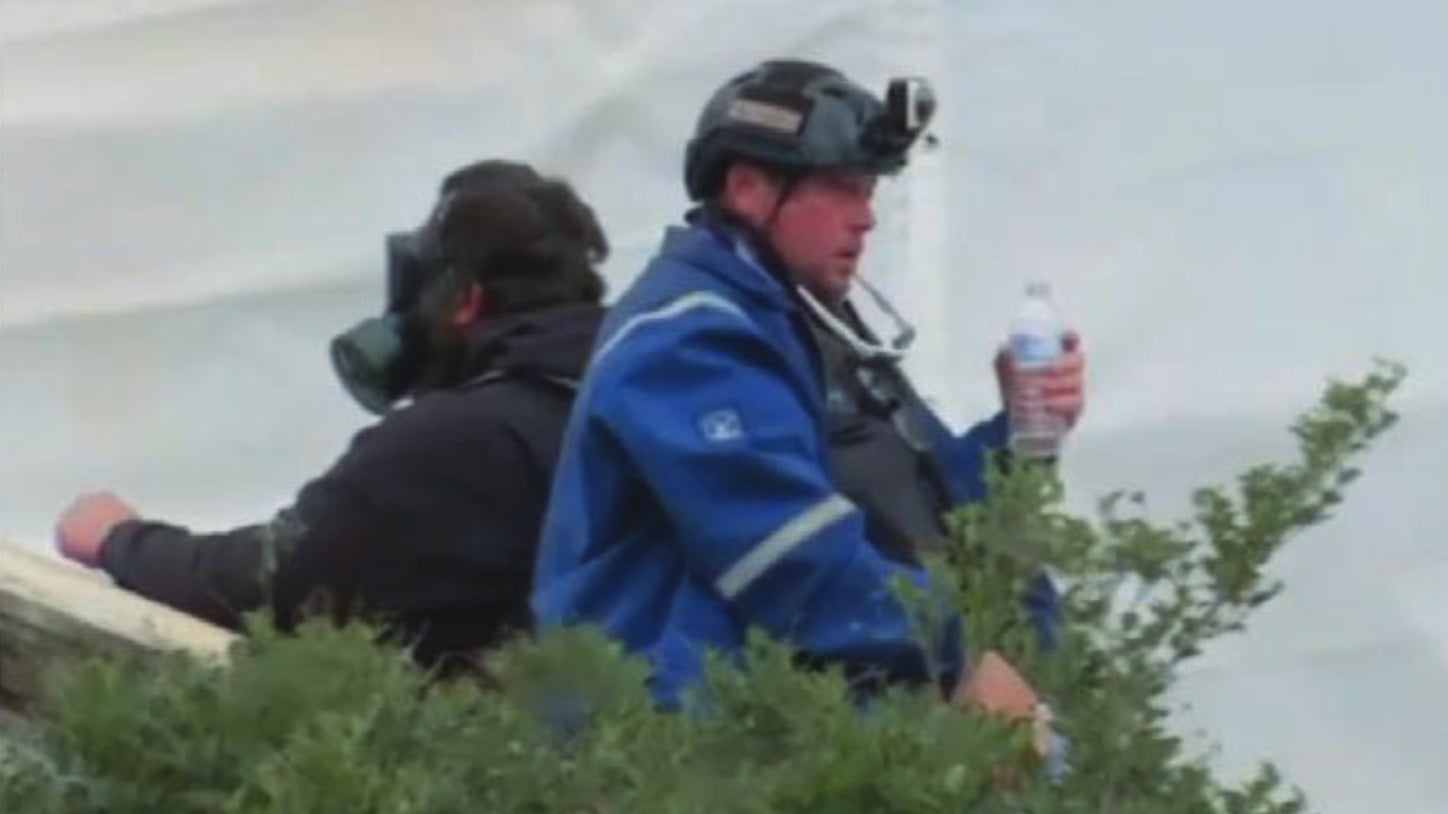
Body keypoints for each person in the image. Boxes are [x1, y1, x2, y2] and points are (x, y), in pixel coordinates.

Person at [533, 60, 1086, 707]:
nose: (866, 218)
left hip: (797, 722)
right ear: (747, 189)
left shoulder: (811, 325)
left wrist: (1020, 436)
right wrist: (965, 664)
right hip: (684, 738)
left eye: (870, 191)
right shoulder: (685, 341)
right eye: (841, 188)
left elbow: (928, 506)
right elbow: (792, 563)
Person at [55, 159, 609, 671]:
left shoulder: (465, 439)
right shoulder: (601, 406)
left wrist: (116, 539)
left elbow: (274, 583)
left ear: (464, 300)